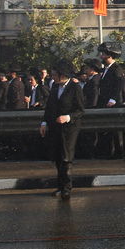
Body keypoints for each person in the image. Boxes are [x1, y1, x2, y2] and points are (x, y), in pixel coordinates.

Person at [39, 60, 84, 200]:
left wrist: (68, 117)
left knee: (66, 156)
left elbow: (80, 110)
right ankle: (60, 186)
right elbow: (49, 107)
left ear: (62, 75)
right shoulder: (54, 86)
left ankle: (67, 188)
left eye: (54, 74)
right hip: (55, 126)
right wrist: (44, 122)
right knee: (58, 156)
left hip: (70, 128)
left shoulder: (75, 87)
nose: (52, 76)